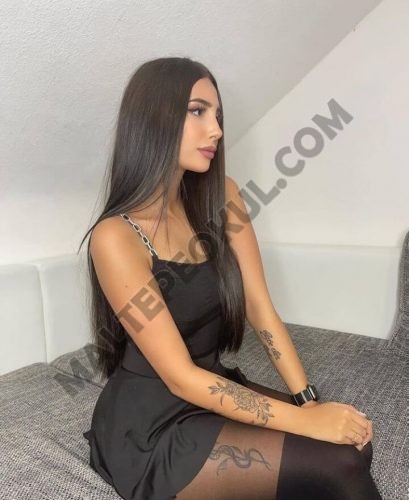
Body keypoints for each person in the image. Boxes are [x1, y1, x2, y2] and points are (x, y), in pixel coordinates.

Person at [79, 57, 382, 499]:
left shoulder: (223, 196)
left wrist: (308, 402)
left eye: (217, 115)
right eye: (198, 111)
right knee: (341, 464)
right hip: (153, 426)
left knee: (354, 444)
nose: (217, 130)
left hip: (214, 387)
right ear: (154, 118)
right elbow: (180, 377)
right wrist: (307, 423)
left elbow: (260, 309)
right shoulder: (115, 236)